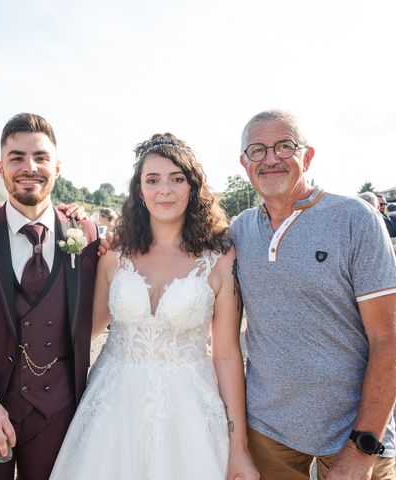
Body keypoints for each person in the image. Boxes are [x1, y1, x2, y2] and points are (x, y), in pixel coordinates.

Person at [50, 133, 258, 480]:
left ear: (192, 188)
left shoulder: (219, 258)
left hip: (189, 412)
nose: (165, 190)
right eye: (153, 180)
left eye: (177, 179)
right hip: (113, 409)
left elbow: (226, 354)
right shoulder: (114, 253)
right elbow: (86, 329)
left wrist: (239, 448)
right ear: (139, 190)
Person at [232, 110, 396, 480]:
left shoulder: (355, 219)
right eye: (258, 150)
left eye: (284, 146)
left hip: (354, 433)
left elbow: (388, 341)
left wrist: (363, 446)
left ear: (307, 156)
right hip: (267, 431)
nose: (271, 158)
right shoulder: (239, 230)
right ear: (245, 163)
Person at [0, 113, 99, 480]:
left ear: (57, 166)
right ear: (0, 167)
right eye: (16, 157)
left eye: (40, 157)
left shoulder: (85, 233)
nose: (30, 167)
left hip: (60, 416)